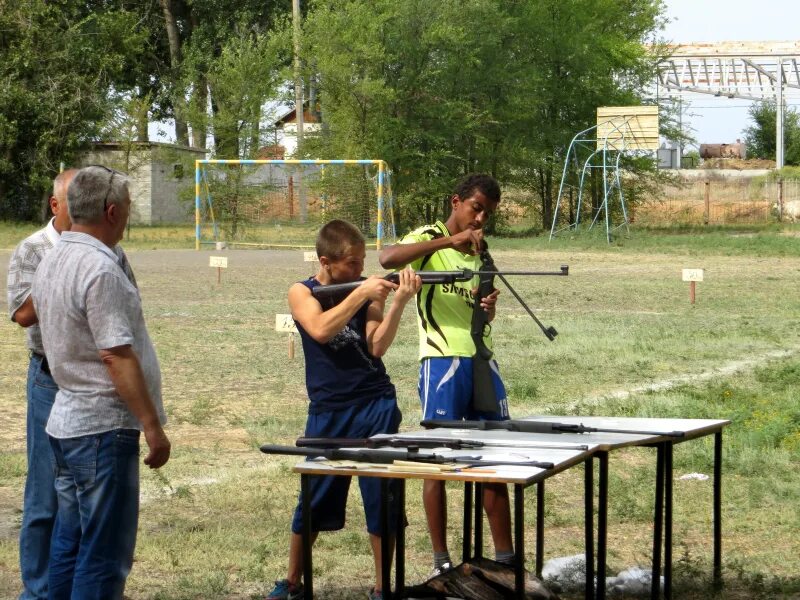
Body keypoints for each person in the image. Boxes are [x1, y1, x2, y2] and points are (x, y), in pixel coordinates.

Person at [30, 165, 170, 599]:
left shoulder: (54, 258)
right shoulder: (100, 269)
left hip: (68, 418)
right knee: (104, 554)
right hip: (101, 427)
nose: (128, 218)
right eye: (127, 210)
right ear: (111, 212)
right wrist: (152, 426)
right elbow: (115, 354)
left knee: (70, 542)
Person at [267, 219, 421, 600]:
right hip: (329, 409)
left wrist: (395, 300)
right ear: (326, 261)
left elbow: (377, 347)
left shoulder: (366, 290)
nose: (359, 270)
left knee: (382, 498)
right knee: (313, 499)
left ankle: (383, 587)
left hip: (375, 404)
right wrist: (362, 291)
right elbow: (320, 329)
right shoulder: (301, 292)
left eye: (362, 262)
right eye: (352, 264)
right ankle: (292, 584)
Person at [6, 168, 136, 600]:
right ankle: (38, 591)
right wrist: (68, 280)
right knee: (45, 497)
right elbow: (22, 314)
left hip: (96, 385)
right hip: (50, 378)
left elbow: (126, 305)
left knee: (80, 506)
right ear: (55, 205)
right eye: (70, 201)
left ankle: (66, 587)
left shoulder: (110, 253)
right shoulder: (34, 250)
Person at [378, 173, 514, 574]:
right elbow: (387, 259)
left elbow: (479, 308)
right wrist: (448, 242)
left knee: (497, 459)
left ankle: (505, 561)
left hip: (481, 360)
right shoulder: (431, 235)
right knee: (437, 462)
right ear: (456, 201)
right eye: (476, 209)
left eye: (488, 214)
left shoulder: (479, 251)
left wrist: (487, 308)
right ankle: (441, 562)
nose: (480, 220)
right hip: (441, 361)